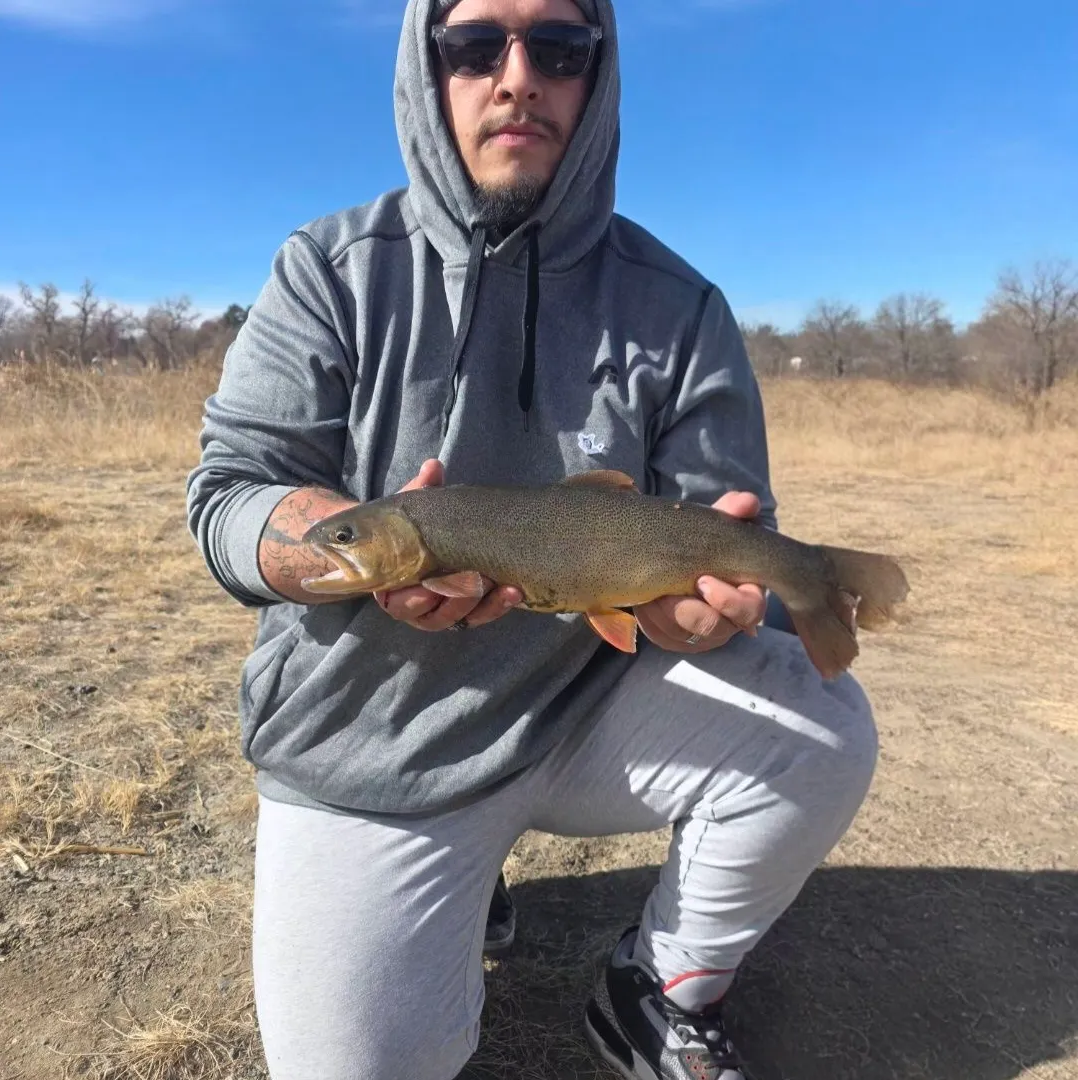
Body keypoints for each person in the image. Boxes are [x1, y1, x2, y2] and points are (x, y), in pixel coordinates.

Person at [186, 0, 879, 1077]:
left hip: (581, 701)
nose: (518, 78)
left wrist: (704, 612)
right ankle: (467, 879)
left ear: (596, 78)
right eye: (476, 46)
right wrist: (325, 542)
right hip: (376, 741)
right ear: (430, 68)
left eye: (557, 48)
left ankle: (660, 984)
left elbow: (730, 529)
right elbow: (229, 493)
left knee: (822, 715)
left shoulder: (681, 307)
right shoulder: (327, 269)